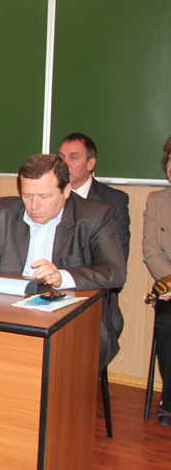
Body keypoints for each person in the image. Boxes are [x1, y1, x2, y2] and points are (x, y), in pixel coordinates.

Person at [0, 154, 127, 373]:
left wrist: (63, 277)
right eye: (27, 195)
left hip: (74, 316)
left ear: (66, 191)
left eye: (44, 196)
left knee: (59, 366)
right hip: (9, 311)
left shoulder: (94, 216)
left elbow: (115, 271)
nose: (34, 205)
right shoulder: (4, 210)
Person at [58, 132, 130, 374]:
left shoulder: (113, 201)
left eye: (73, 157)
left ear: (91, 163)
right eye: (60, 157)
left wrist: (67, 276)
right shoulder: (48, 196)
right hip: (47, 291)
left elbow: (116, 261)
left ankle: (74, 387)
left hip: (93, 295)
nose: (64, 163)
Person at [142, 135, 171, 426]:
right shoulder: (156, 201)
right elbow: (151, 251)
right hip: (170, 287)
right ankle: (170, 399)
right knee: (167, 324)